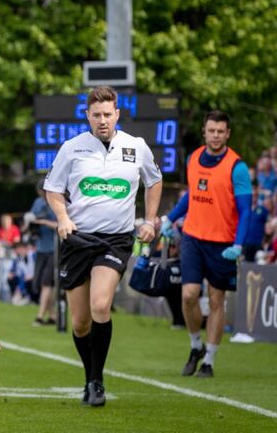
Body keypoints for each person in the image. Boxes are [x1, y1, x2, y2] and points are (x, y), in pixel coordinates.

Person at [44, 85, 162, 406]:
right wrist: (63, 217)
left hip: (117, 239)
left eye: (107, 114)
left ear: (117, 115)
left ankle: (97, 382)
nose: (102, 120)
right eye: (96, 115)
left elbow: (154, 180)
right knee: (81, 322)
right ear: (87, 116)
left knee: (100, 305)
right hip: (77, 239)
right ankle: (88, 376)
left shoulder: (136, 147)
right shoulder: (72, 148)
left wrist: (150, 220)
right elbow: (53, 190)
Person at [160, 110, 251, 378]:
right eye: (211, 130)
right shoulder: (193, 158)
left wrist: (239, 245)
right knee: (188, 294)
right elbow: (191, 195)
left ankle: (209, 360)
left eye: (220, 131)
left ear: (227, 134)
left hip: (222, 243)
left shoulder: (238, 167)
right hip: (192, 237)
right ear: (204, 131)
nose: (215, 136)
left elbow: (246, 211)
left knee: (215, 300)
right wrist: (171, 218)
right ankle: (195, 345)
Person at [28, 179, 58, 326]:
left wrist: (45, 222)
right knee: (41, 283)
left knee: (47, 282)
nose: (42, 196)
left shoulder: (57, 201)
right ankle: (53, 316)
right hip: (41, 247)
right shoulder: (38, 202)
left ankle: (40, 316)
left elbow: (63, 224)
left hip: (55, 248)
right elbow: (32, 220)